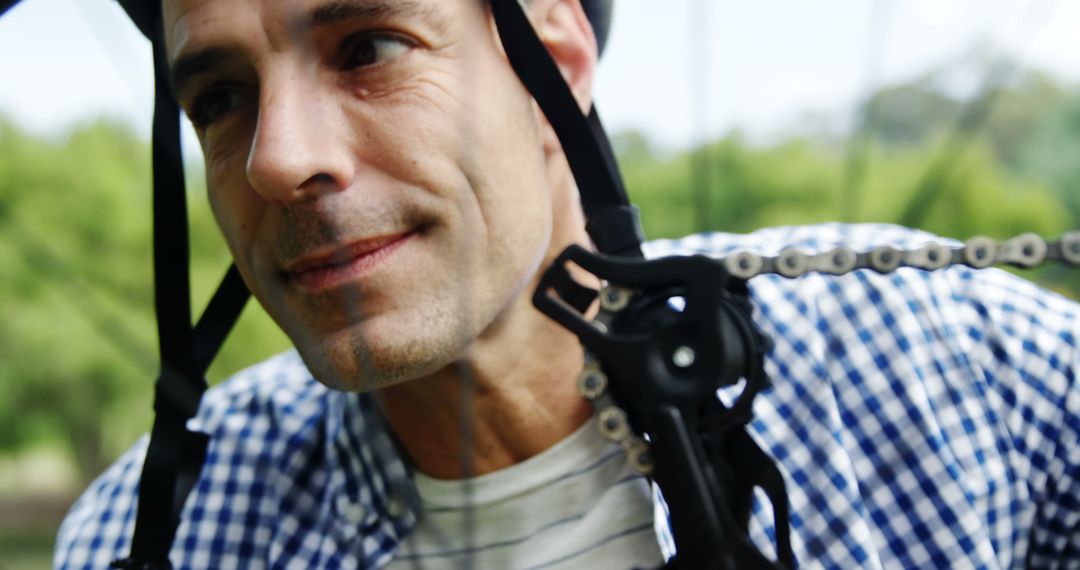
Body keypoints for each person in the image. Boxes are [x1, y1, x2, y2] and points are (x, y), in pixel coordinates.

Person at [53, 0, 1079, 568]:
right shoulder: (145, 537)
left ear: (554, 61)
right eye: (222, 98)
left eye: (369, 47)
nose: (278, 161)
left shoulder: (955, 367)